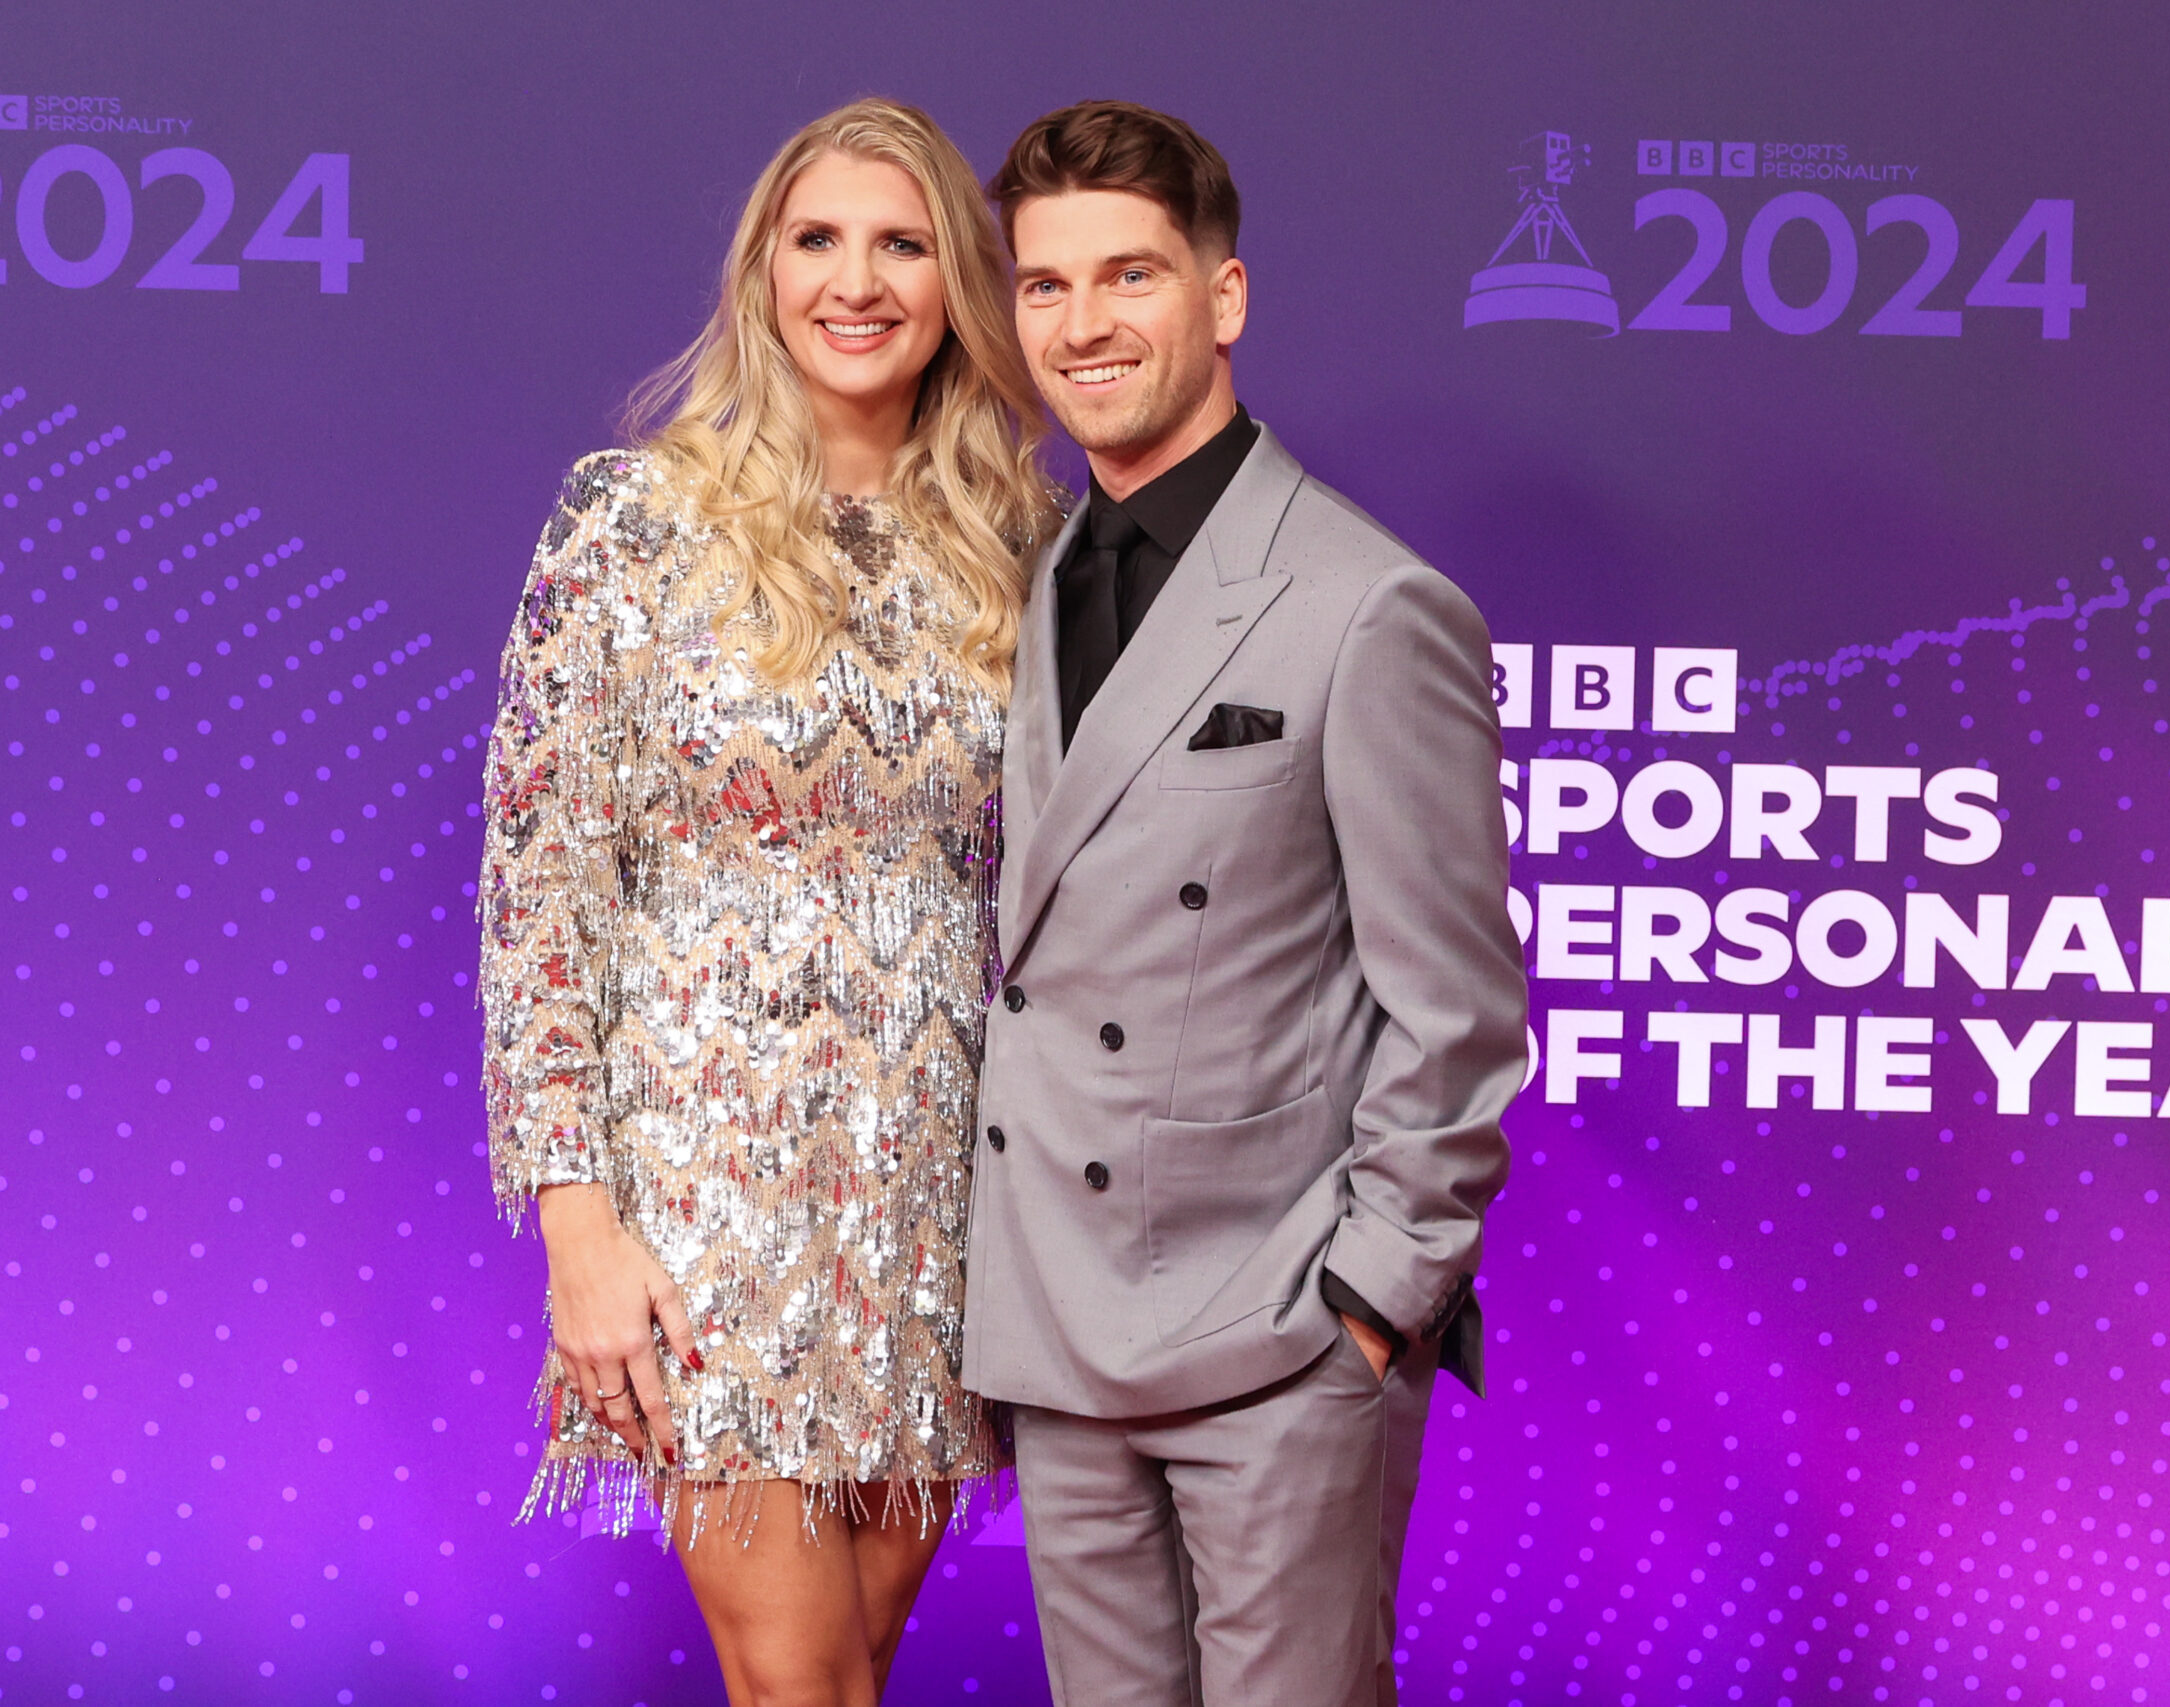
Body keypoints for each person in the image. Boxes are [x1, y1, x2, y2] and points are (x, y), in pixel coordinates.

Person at [475, 97, 1053, 1707]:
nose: (854, 282)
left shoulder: (1027, 547)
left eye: (901, 244)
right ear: (763, 273)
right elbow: (540, 892)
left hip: (940, 1191)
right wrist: (578, 1226)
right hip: (706, 1185)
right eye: (818, 241)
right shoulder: (632, 521)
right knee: (799, 1676)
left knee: (848, 1672)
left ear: (957, 286)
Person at [962, 100, 1527, 1706]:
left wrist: (1373, 1303)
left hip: (1280, 1335)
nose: (1084, 324)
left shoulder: (1371, 603)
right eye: (1048, 284)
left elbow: (1457, 1009)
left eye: (1129, 276)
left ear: (1224, 298)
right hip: (1061, 1329)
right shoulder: (1018, 580)